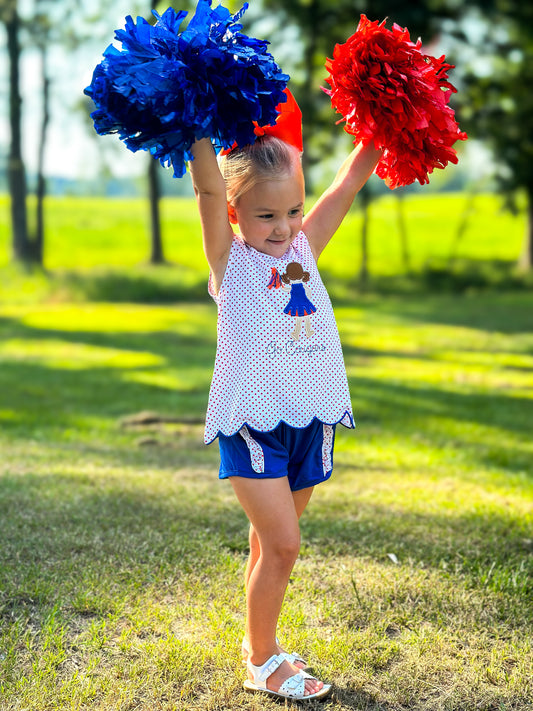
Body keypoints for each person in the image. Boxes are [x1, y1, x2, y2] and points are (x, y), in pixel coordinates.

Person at [189, 91, 381, 701]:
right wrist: (191, 117)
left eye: (293, 210)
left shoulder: (304, 248)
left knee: (266, 543)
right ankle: (263, 659)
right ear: (240, 211)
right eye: (267, 215)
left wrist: (387, 124)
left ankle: (258, 641)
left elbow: (348, 184)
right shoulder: (230, 263)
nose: (285, 226)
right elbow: (207, 192)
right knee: (284, 546)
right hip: (251, 423)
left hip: (310, 417)